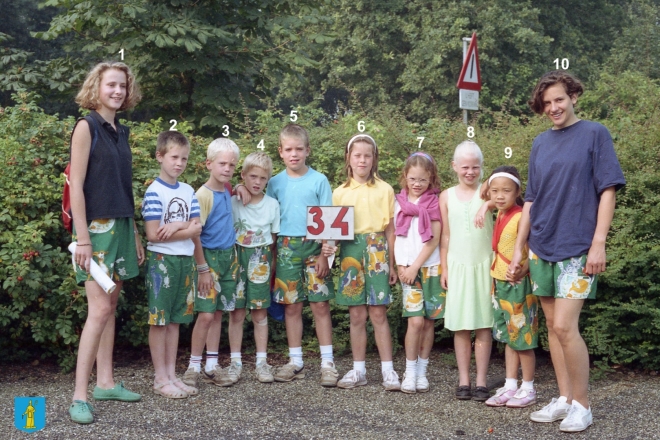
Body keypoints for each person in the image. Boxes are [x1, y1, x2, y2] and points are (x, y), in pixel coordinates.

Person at [510, 71, 625, 432]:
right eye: (547, 104)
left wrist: (599, 242)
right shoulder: (541, 143)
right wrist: (519, 249)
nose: (553, 108)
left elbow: (608, 189)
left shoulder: (595, 134)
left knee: (565, 325)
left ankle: (583, 405)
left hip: (577, 246)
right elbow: (530, 200)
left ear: (573, 96)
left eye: (559, 99)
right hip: (541, 246)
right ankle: (563, 398)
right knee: (552, 328)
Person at [68, 61, 144, 424]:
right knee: (98, 310)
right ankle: (79, 397)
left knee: (111, 307)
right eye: (112, 84)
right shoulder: (86, 127)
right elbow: (76, 187)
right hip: (94, 232)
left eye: (123, 86)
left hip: (123, 227)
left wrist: (135, 233)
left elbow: (123, 188)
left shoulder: (121, 130)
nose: (118, 91)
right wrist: (82, 239)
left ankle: (106, 382)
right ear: (96, 87)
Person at [321, 134, 401, 391]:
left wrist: (394, 264)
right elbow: (332, 231)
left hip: (378, 250)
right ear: (349, 158)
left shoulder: (385, 189)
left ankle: (388, 370)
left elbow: (391, 230)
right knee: (356, 314)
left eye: (367, 155)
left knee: (378, 312)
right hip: (351, 252)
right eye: (357, 155)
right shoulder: (340, 192)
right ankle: (359, 370)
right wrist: (327, 247)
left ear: (374, 159)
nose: (362, 160)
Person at [265, 124, 338, 386]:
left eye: (298, 149)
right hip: (285, 248)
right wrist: (272, 257)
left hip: (315, 247)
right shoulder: (274, 183)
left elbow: (329, 221)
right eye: (288, 149)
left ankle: (327, 362)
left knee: (320, 304)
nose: (293, 154)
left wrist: (324, 255)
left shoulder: (319, 180)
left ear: (307, 150)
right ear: (280, 152)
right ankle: (295, 360)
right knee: (292, 306)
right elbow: (269, 217)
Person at [142, 131, 202, 399]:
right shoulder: (154, 192)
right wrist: (188, 229)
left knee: (176, 320)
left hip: (185, 261)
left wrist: (179, 225)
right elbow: (153, 234)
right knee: (160, 320)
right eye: (174, 157)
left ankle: (171, 375)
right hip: (162, 261)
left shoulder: (188, 191)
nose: (179, 163)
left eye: (184, 159)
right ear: (160, 156)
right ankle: (159, 378)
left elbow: (197, 225)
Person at [478, 166, 539, 408]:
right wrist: (486, 204)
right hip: (499, 281)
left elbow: (533, 246)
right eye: (495, 191)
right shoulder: (501, 210)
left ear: (518, 191)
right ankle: (511, 384)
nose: (500, 195)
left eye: (506, 191)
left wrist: (524, 269)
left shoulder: (523, 214)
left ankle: (528, 386)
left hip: (518, 284)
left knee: (522, 336)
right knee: (508, 337)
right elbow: (490, 198)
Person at [182, 139, 240, 388]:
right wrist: (203, 268)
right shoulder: (203, 195)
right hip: (208, 259)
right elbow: (195, 234)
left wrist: (238, 187)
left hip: (229, 257)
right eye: (222, 163)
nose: (227, 169)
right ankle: (193, 365)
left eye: (232, 165)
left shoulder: (227, 190)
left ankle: (211, 365)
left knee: (217, 313)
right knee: (205, 314)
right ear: (209, 164)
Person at [439, 140, 494, 401]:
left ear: (482, 167)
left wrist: (486, 204)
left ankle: (482, 381)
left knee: (484, 325)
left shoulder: (488, 191)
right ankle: (464, 380)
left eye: (475, 167)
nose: (470, 172)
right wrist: (444, 267)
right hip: (458, 265)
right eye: (464, 167)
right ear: (454, 167)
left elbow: (508, 190)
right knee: (461, 326)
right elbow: (445, 236)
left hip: (485, 266)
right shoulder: (446, 196)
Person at [394, 152, 444, 394]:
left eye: (422, 180)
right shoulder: (397, 203)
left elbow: (433, 240)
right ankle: (410, 370)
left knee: (427, 322)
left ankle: (423, 371)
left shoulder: (435, 203)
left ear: (431, 179)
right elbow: (394, 237)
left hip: (430, 267)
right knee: (414, 321)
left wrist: (416, 265)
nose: (417, 184)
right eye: (412, 178)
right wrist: (401, 266)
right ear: (405, 177)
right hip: (407, 270)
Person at [230, 152, 280, 383]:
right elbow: (221, 187)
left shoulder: (272, 205)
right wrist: (237, 187)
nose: (257, 182)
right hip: (237, 258)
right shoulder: (234, 200)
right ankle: (235, 361)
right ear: (243, 175)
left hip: (261, 260)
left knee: (260, 314)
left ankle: (262, 362)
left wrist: (273, 269)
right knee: (237, 313)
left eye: (262, 178)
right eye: (252, 177)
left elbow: (274, 240)